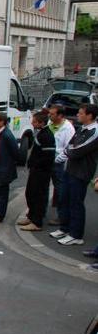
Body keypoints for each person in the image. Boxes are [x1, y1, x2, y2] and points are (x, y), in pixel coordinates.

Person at [49, 104, 98, 246]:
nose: (77, 115)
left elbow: (79, 149)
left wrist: (66, 154)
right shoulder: (82, 128)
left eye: (81, 113)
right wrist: (66, 153)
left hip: (81, 172)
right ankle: (64, 228)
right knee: (64, 198)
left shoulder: (95, 131)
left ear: (89, 115)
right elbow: (71, 144)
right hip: (70, 169)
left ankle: (76, 234)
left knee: (76, 202)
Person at [18, 111, 56, 232]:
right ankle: (31, 216)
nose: (32, 123)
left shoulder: (47, 135)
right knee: (30, 193)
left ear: (41, 123)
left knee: (39, 195)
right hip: (36, 170)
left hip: (41, 172)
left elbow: (48, 156)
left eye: (34, 121)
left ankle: (37, 221)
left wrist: (35, 164)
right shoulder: (41, 133)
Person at [47, 104, 75, 225]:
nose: (50, 115)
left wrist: (58, 159)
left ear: (60, 115)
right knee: (43, 186)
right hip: (47, 160)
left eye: (52, 114)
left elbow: (68, 148)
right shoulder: (50, 123)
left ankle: (61, 216)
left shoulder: (68, 129)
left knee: (60, 189)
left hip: (58, 163)